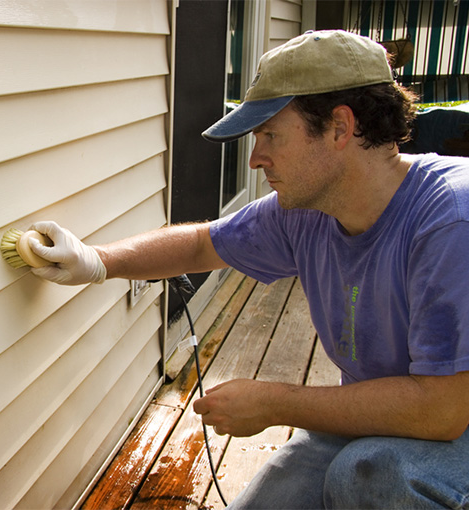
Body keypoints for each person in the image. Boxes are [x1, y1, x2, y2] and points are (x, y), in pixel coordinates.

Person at [29, 30, 469, 509]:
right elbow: (201, 244)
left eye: (270, 135)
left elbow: (442, 410)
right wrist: (96, 261)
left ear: (340, 128)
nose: (256, 157)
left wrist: (275, 402)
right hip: (393, 418)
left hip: (449, 422)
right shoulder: (305, 211)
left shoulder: (450, 218)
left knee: (369, 477)